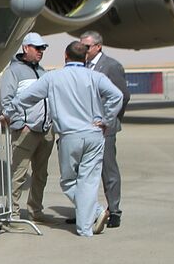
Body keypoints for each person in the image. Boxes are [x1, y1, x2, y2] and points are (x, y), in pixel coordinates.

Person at [14, 40, 124, 237]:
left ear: (66, 56)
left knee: (68, 182)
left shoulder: (53, 77)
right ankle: (86, 227)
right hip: (93, 134)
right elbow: (117, 95)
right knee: (89, 181)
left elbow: (26, 97)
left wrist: (11, 110)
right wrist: (106, 119)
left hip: (69, 136)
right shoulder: (95, 77)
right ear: (85, 57)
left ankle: (96, 213)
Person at [0, 32, 56, 223]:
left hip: (45, 130)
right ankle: (13, 213)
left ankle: (35, 210)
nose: (41, 52)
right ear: (25, 48)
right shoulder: (13, 72)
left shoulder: (42, 71)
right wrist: (18, 123)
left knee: (41, 174)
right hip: (26, 131)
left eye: (43, 48)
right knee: (18, 173)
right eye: (37, 48)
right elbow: (6, 101)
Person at [79, 29, 129, 228]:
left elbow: (123, 96)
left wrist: (111, 120)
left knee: (108, 170)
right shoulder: (81, 65)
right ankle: (85, 210)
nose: (83, 50)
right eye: (81, 46)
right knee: (84, 171)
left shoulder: (111, 66)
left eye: (87, 47)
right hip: (84, 127)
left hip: (104, 128)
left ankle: (114, 211)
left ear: (98, 46)